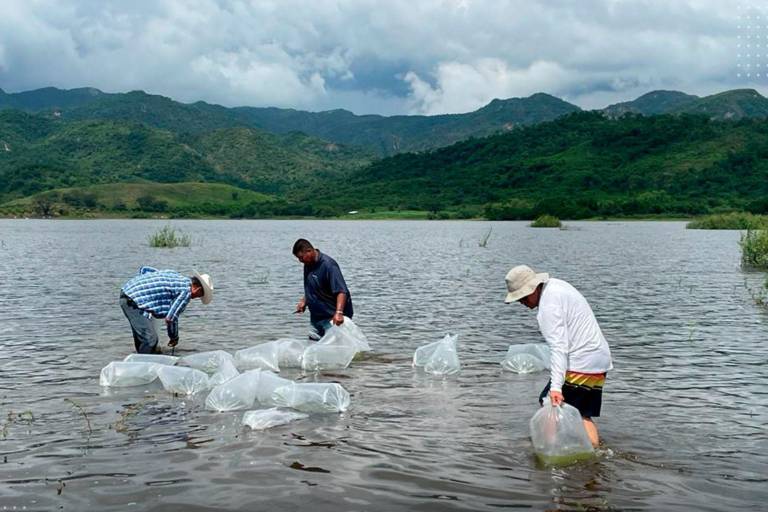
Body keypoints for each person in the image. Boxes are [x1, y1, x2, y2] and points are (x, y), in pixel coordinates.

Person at [505, 265, 612, 447]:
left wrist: (556, 388)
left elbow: (559, 347)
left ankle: (548, 449)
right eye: (518, 299)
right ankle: (596, 453)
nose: (521, 302)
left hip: (581, 361)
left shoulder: (548, 306)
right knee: (583, 413)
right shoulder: (556, 286)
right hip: (598, 358)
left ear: (533, 288)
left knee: (548, 402)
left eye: (523, 297)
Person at [120, 266, 213, 353]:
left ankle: (141, 358)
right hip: (133, 301)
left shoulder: (176, 276)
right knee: (150, 340)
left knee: (143, 339)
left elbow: (145, 269)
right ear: (198, 289)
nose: (195, 298)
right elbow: (171, 319)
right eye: (199, 296)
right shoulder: (186, 292)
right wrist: (174, 337)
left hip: (128, 292)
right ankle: (145, 362)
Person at [292, 239, 353, 339]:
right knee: (312, 345)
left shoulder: (328, 265)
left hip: (332, 318)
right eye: (298, 258)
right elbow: (312, 286)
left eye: (301, 257)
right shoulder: (308, 264)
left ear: (309, 251)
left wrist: (339, 313)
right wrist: (304, 301)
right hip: (316, 318)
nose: (300, 261)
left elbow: (341, 291)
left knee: (334, 346)